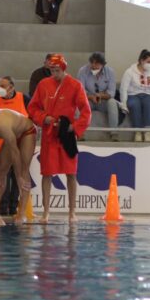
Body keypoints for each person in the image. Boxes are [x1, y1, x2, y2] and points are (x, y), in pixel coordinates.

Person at [28, 54, 91, 223]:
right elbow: (32, 108)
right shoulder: (43, 84)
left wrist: (75, 127)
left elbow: (86, 111)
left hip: (67, 134)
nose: (54, 74)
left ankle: (72, 212)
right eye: (51, 70)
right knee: (47, 173)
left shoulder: (75, 85)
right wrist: (43, 118)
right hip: (49, 135)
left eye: (57, 70)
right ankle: (46, 212)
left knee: (71, 173)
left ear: (64, 69)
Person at [0, 76, 31, 216]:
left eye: (3, 86)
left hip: (20, 141)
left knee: (19, 175)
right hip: (1, 144)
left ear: (12, 87)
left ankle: (16, 208)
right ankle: (0, 208)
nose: (0, 89)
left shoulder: (24, 98)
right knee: (2, 174)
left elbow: (33, 116)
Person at [120, 49, 150, 142]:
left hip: (147, 95)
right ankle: (137, 131)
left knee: (149, 103)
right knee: (134, 104)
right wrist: (124, 103)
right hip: (133, 95)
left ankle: (147, 131)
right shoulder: (129, 71)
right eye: (148, 62)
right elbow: (123, 88)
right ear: (142, 61)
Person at [77, 52, 119, 142]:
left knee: (112, 102)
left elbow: (111, 92)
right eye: (92, 64)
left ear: (103, 65)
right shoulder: (83, 71)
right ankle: (80, 133)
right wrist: (91, 97)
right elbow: (80, 91)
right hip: (88, 99)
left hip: (103, 101)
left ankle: (114, 133)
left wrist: (101, 95)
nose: (94, 66)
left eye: (97, 65)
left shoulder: (110, 72)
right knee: (78, 103)